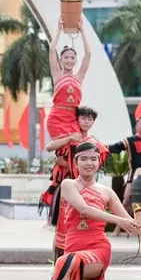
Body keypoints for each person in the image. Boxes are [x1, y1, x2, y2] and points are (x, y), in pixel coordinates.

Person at [29, 142, 139, 280]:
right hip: (74, 251)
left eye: (93, 159)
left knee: (64, 261)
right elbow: (84, 209)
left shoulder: (107, 192)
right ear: (76, 162)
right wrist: (118, 220)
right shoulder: (68, 184)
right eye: (84, 159)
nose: (89, 163)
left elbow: (128, 221)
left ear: (99, 162)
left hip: (97, 251)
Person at [40, 106, 108, 260]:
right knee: (61, 228)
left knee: (86, 225)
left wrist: (69, 163)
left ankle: (82, 261)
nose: (86, 121)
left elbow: (97, 164)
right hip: (67, 187)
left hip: (87, 189)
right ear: (77, 119)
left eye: (90, 119)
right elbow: (50, 147)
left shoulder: (94, 143)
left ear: (93, 123)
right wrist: (69, 140)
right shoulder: (68, 137)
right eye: (83, 118)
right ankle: (58, 264)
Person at [45, 17, 92, 143]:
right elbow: (51, 50)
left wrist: (82, 30)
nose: (69, 60)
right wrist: (59, 30)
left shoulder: (79, 77)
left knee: (77, 149)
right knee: (62, 152)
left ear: (76, 60)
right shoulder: (57, 75)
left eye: (72, 58)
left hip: (72, 119)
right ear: (61, 59)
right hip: (56, 118)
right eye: (66, 57)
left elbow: (88, 54)